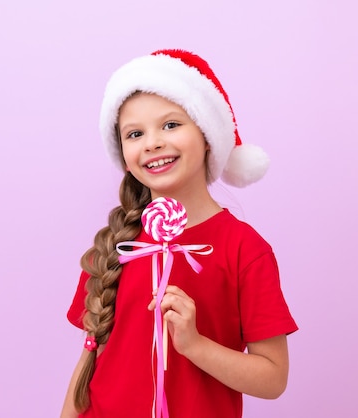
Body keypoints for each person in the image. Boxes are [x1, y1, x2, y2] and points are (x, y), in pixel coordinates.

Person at [60, 49, 298, 418]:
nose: (153, 142)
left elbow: (273, 378)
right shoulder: (115, 246)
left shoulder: (244, 249)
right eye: (135, 133)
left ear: (207, 136)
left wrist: (195, 345)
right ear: (124, 155)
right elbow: (88, 361)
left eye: (171, 125)